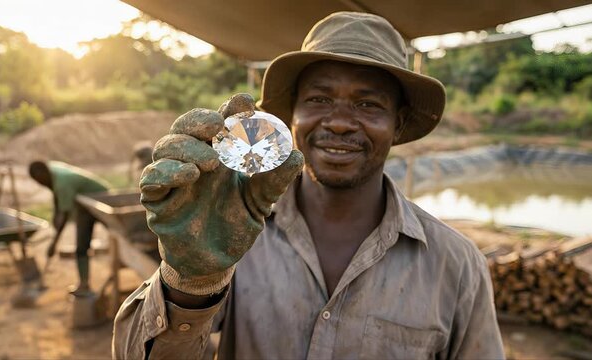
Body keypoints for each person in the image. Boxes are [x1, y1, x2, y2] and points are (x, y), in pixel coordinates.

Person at [113, 12, 505, 359]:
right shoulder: (232, 231)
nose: (338, 122)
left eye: (368, 104)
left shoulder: (456, 265)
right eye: (319, 98)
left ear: (398, 124)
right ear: (292, 116)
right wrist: (192, 282)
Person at [28, 160, 110, 296]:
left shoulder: (62, 184)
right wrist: (55, 213)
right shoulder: (52, 170)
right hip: (86, 203)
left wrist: (53, 243)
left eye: (39, 180)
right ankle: (84, 283)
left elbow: (64, 217)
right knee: (82, 247)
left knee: (84, 246)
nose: (40, 184)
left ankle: (85, 284)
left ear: (44, 174)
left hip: (101, 201)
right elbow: (54, 193)